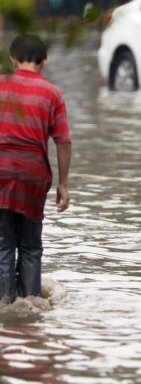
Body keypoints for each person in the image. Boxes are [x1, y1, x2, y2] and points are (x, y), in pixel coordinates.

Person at [0, 35, 71, 304]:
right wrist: (63, 184)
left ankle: (5, 309)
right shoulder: (52, 93)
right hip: (33, 178)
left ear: (12, 60)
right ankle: (30, 308)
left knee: (3, 244)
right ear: (44, 62)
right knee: (30, 247)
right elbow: (63, 142)